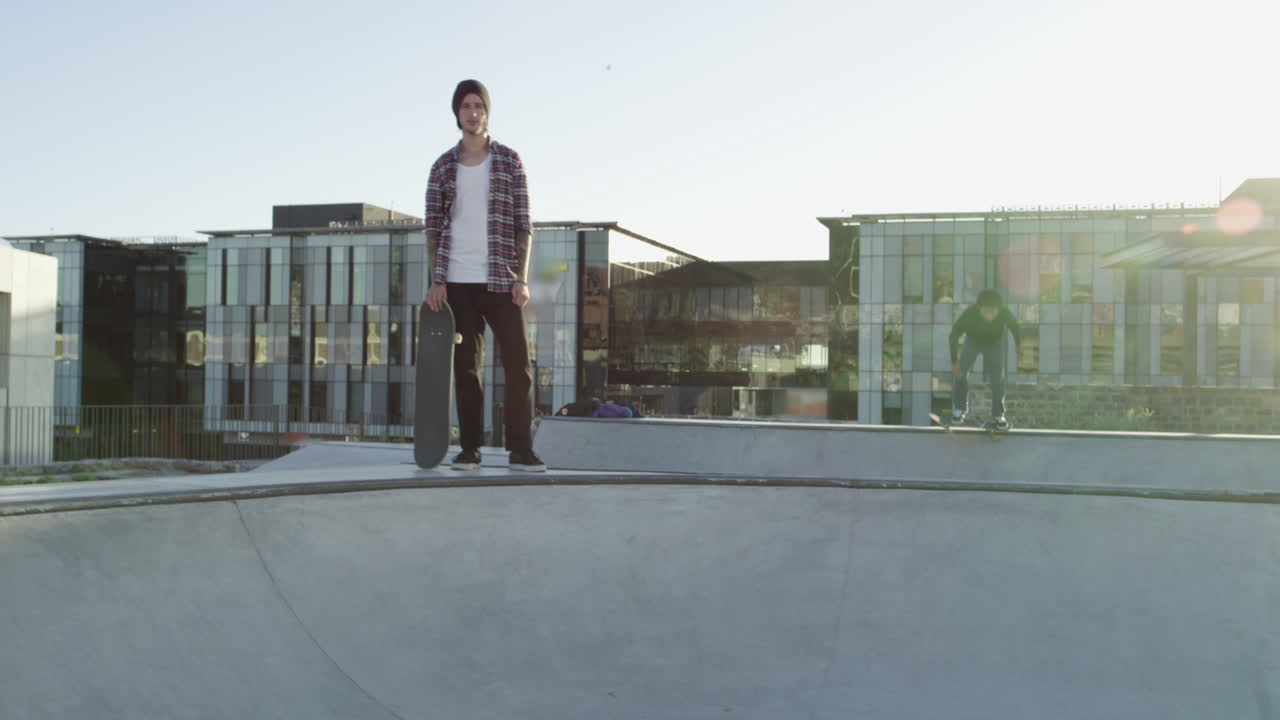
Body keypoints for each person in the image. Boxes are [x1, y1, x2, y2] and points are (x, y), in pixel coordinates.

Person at [424, 79, 545, 471]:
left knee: (519, 366)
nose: (472, 112)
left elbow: (524, 224)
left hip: (501, 278)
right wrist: (436, 280)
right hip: (457, 279)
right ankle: (470, 448)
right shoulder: (442, 166)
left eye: (478, 105)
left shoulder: (509, 161)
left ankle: (521, 449)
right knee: (467, 369)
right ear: (457, 114)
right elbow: (433, 228)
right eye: (465, 106)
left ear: (487, 112)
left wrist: (521, 278)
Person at [948, 288, 1022, 430]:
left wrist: (1019, 344)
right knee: (959, 373)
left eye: (993, 312)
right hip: (973, 342)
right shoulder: (970, 314)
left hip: (994, 344)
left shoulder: (1004, 313)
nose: (989, 316)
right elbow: (954, 335)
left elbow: (1014, 326)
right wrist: (954, 361)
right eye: (986, 312)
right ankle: (958, 410)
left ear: (998, 310)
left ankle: (998, 415)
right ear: (979, 308)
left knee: (997, 378)